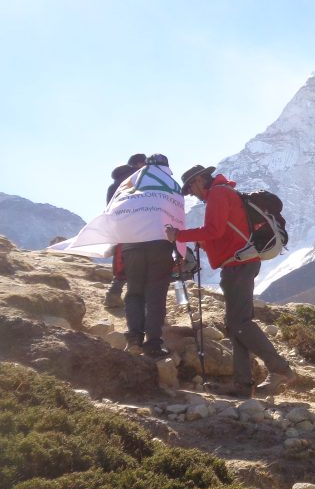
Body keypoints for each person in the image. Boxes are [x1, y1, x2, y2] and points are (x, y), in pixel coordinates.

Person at [166, 164, 293, 397]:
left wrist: (180, 236)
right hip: (238, 264)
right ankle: (243, 384)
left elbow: (213, 230)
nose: (192, 194)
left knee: (241, 323)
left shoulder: (218, 193)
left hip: (239, 266)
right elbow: (223, 233)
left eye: (191, 188)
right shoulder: (224, 193)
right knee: (235, 324)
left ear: (199, 181)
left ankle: (279, 369)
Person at [121, 154, 177, 358]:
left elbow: (118, 210)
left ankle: (134, 338)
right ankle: (153, 343)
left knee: (134, 292)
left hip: (132, 245)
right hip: (159, 246)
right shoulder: (172, 185)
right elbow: (177, 217)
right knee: (156, 295)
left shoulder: (131, 182)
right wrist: (180, 250)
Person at [103, 155, 147, 309]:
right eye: (144, 163)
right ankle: (136, 301)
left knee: (123, 261)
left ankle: (114, 295)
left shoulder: (115, 185)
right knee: (140, 262)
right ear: (138, 164)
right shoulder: (135, 182)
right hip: (137, 227)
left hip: (120, 228)